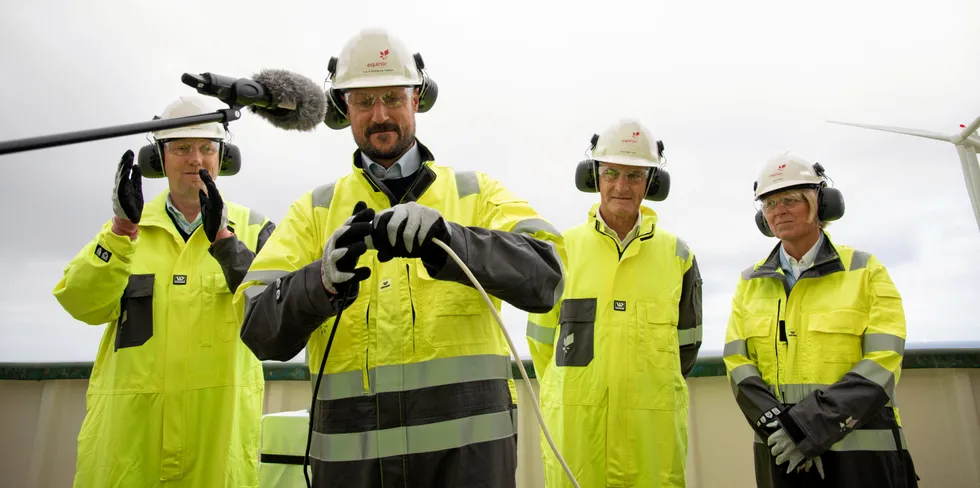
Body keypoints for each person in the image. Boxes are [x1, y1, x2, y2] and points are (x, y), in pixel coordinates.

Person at [233, 28, 566, 488]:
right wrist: (320, 283)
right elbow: (257, 329)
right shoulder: (314, 212)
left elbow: (548, 276)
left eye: (393, 96)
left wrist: (451, 241)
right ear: (342, 108)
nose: (381, 114)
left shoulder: (475, 192)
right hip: (355, 471)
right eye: (364, 101)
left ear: (418, 99)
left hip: (467, 467)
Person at [52, 95, 276, 488]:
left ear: (223, 157)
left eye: (207, 148)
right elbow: (82, 303)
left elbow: (277, 314)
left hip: (217, 445)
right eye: (182, 148)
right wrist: (121, 231)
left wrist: (223, 239)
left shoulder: (257, 230)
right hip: (129, 448)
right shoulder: (126, 228)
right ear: (159, 159)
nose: (196, 159)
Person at [722, 151, 919, 487]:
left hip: (860, 455)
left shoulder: (865, 271)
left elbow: (883, 361)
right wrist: (783, 430)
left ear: (822, 204)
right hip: (781, 452)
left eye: (791, 199)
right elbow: (738, 363)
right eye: (769, 203)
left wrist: (808, 429)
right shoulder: (749, 282)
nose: (779, 210)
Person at [526, 119, 703, 487]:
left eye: (635, 175)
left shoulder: (678, 256)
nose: (622, 186)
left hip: (651, 440)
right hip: (576, 437)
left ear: (651, 183)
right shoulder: (560, 250)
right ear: (595, 177)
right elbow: (541, 345)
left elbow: (687, 347)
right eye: (612, 173)